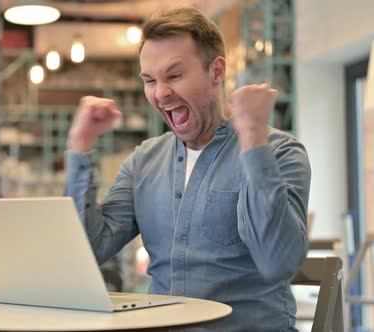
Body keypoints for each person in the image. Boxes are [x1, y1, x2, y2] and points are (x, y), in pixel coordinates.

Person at [64, 7, 310, 332]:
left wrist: (252, 137)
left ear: (216, 71)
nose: (161, 92)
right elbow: (87, 251)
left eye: (174, 76)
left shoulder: (279, 152)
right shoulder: (144, 161)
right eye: (150, 80)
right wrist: (79, 147)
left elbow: (278, 261)